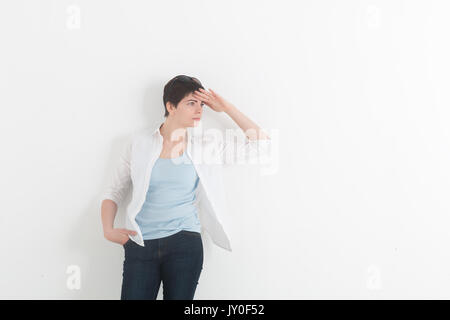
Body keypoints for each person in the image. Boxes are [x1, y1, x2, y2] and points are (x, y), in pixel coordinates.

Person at [101, 75, 271, 300]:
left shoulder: (205, 146)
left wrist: (226, 108)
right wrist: (108, 230)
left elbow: (262, 144)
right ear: (170, 106)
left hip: (184, 244)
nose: (199, 109)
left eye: (201, 104)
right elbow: (114, 191)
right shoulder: (139, 143)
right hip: (140, 243)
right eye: (191, 103)